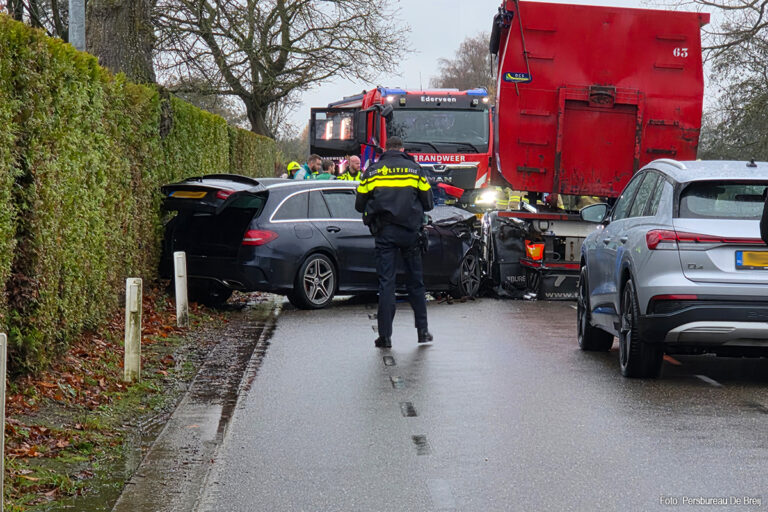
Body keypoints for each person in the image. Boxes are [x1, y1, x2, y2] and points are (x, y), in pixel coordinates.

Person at [355, 136, 434, 348]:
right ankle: (423, 332)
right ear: (402, 149)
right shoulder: (414, 169)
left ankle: (385, 336)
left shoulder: (372, 171)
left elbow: (358, 204)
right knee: (416, 283)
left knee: (386, 283)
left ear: (385, 149)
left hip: (385, 233)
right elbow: (428, 203)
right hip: (410, 233)